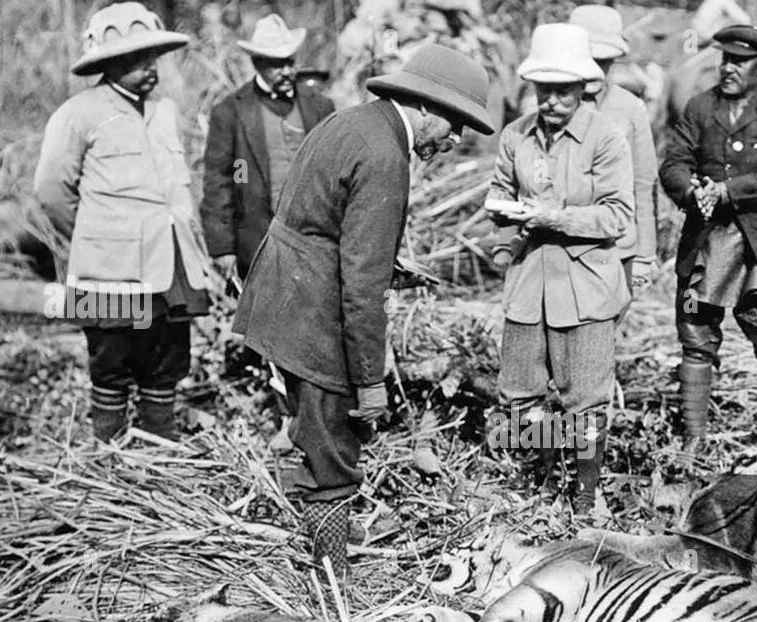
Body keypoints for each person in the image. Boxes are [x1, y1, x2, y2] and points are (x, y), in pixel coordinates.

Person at [233, 43, 492, 579]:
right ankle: (331, 575)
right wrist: (371, 379)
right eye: (456, 125)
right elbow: (362, 288)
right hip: (313, 310)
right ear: (427, 107)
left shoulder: (351, 122)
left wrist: (385, 264)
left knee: (313, 426)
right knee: (334, 439)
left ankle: (317, 534)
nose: (456, 140)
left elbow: (319, 217)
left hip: (284, 290)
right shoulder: (386, 158)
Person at [35, 3, 211, 443]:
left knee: (166, 359)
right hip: (107, 272)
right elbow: (51, 192)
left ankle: (160, 452)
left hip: (170, 265)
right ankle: (108, 456)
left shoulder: (164, 110)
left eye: (153, 58)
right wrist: (97, 235)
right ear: (108, 64)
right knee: (112, 362)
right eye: (136, 59)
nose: (150, 69)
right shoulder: (78, 114)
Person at [487, 23, 633, 517]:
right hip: (530, 281)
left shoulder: (606, 137)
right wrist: (503, 229)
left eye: (562, 91)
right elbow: (500, 192)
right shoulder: (516, 136)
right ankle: (538, 479)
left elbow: (619, 214)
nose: (551, 101)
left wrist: (557, 218)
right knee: (520, 393)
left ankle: (586, 495)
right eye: (543, 91)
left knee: (585, 397)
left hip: (585, 283)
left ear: (583, 87)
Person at [659, 25, 757, 466]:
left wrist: (729, 190)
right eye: (724, 59)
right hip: (706, 243)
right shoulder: (700, 107)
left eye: (738, 62)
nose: (727, 68)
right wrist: (692, 191)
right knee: (695, 336)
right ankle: (694, 440)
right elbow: (674, 164)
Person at [201, 14, 334, 284]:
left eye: (289, 62)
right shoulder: (231, 112)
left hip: (315, 240)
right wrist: (223, 246)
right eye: (276, 64)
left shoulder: (319, 106)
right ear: (257, 63)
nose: (287, 71)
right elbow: (221, 181)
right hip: (259, 240)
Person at [568, 5, 657, 303]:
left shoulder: (631, 108)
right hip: (562, 245)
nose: (596, 68)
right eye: (589, 59)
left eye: (604, 61)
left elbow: (644, 184)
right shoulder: (545, 108)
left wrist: (645, 254)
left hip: (617, 245)